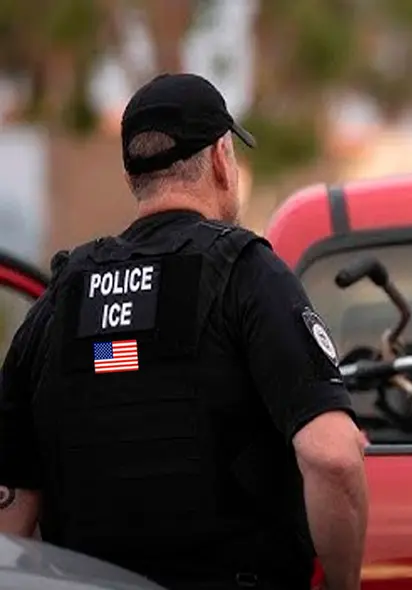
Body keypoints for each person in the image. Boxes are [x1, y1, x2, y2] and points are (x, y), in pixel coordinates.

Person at [0, 73, 368, 590]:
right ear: (221, 158)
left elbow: (13, 515)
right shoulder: (246, 273)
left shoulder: (64, 297)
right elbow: (332, 456)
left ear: (134, 177)